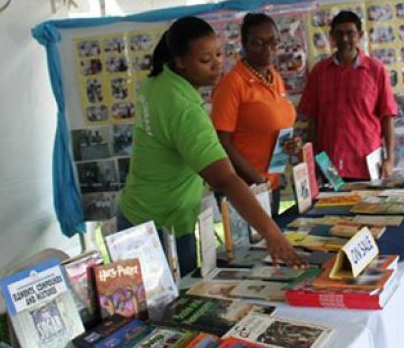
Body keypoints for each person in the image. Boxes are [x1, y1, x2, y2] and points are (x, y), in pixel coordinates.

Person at [118, 16, 306, 275]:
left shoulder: (157, 81)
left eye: (219, 54)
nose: (217, 65)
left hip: (139, 214)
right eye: (205, 60)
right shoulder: (185, 110)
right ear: (179, 61)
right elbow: (225, 180)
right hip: (160, 227)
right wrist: (271, 232)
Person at [211, 13, 300, 216]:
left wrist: (292, 142)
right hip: (243, 188)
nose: (268, 49)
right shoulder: (232, 83)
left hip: (271, 182)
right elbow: (221, 142)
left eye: (273, 42)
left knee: (272, 245)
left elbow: (276, 124)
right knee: (253, 248)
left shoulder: (274, 78)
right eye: (258, 43)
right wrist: (258, 181)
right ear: (244, 44)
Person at [298, 10, 398, 181]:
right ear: (332, 37)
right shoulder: (319, 72)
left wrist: (390, 159)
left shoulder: (376, 70)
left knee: (367, 207)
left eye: (350, 33)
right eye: (339, 34)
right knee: (333, 207)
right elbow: (312, 120)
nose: (344, 39)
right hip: (329, 163)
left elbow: (387, 117)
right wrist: (314, 160)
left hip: (368, 163)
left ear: (359, 35)